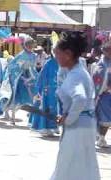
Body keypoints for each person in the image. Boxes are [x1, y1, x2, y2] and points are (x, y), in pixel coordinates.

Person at [50, 32, 100, 180]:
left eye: (57, 53)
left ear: (68, 54)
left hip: (78, 127)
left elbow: (80, 98)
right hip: (86, 124)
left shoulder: (76, 75)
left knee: (69, 165)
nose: (56, 57)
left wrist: (69, 119)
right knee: (83, 164)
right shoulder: (78, 71)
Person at [0, 37, 38, 125]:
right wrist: (23, 78)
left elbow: (33, 68)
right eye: (29, 45)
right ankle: (12, 117)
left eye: (31, 46)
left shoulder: (34, 56)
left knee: (34, 96)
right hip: (19, 79)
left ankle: (32, 119)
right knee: (16, 98)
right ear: (25, 46)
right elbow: (14, 67)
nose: (30, 47)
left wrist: (32, 78)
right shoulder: (21, 55)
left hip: (30, 77)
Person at [29, 54, 59, 136]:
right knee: (46, 107)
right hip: (47, 90)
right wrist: (44, 88)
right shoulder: (48, 63)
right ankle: (44, 127)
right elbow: (42, 76)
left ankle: (52, 127)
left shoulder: (61, 63)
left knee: (54, 108)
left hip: (56, 89)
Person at [93, 41, 111, 148]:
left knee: (106, 118)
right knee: (105, 117)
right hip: (103, 95)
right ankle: (101, 138)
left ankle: (101, 137)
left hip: (107, 95)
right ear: (104, 51)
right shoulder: (101, 65)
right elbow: (98, 81)